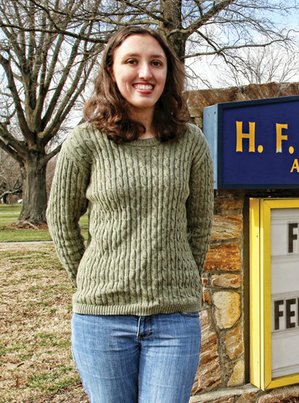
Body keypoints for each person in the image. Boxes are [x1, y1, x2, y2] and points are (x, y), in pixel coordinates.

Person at [47, 26, 213, 403]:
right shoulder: (85, 140)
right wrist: (90, 276)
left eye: (156, 63)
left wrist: (182, 275)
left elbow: (200, 223)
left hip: (174, 320)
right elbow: (60, 218)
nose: (145, 73)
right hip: (101, 320)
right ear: (111, 70)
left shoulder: (190, 142)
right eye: (132, 61)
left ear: (168, 73)